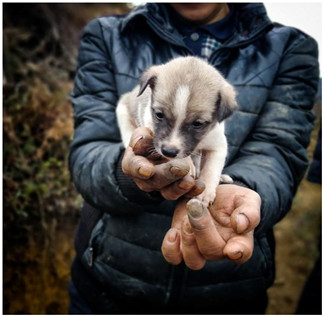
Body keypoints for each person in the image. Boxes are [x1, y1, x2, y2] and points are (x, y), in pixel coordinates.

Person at [68, 3, 319, 314]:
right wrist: (129, 170)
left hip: (228, 294)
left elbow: (278, 149)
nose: (172, 144)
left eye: (197, 124)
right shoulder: (107, 34)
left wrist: (229, 188)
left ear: (220, 114)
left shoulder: (291, 49)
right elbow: (87, 149)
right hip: (104, 287)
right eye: (160, 116)